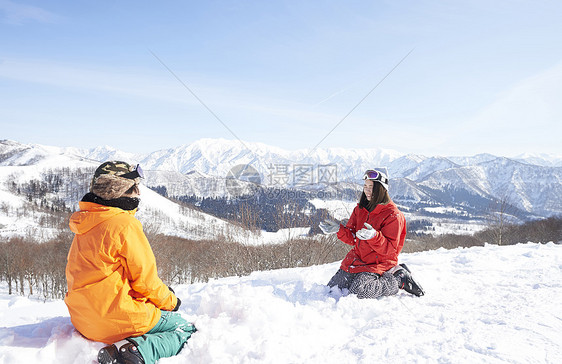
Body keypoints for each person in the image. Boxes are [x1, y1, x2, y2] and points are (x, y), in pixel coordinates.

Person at [65, 161, 197, 364]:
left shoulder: (86, 223)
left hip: (83, 320)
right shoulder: (124, 225)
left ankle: (122, 347)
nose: (138, 192)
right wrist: (171, 301)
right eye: (134, 187)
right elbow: (145, 281)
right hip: (115, 320)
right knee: (184, 328)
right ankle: (135, 352)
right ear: (119, 190)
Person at [320, 169, 424, 299]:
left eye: (372, 187)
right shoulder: (360, 209)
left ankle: (398, 278)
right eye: (365, 186)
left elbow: (391, 251)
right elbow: (353, 238)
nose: (367, 191)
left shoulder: (393, 215)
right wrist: (338, 230)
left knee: (359, 292)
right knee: (332, 289)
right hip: (357, 260)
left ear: (382, 189)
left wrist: (374, 237)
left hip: (379, 264)